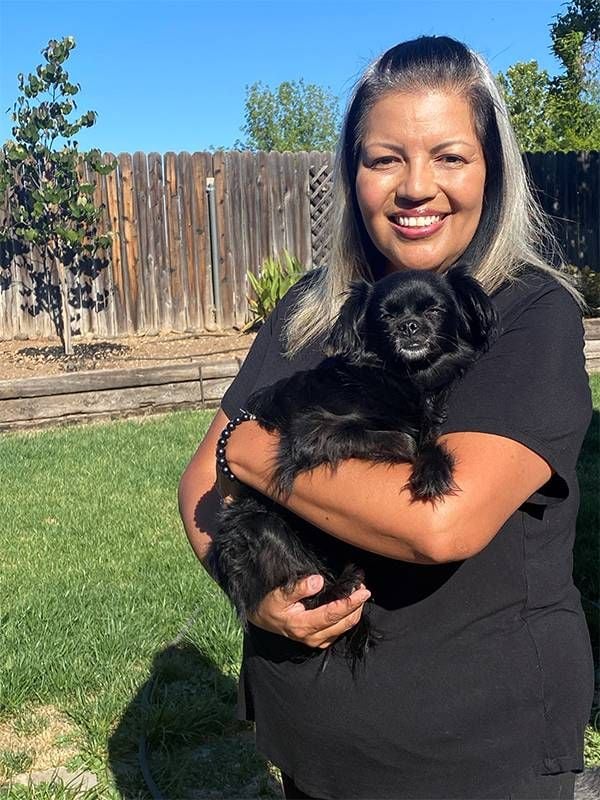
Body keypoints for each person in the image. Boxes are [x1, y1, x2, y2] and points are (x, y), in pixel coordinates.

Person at [178, 36, 594, 800]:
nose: (416, 186)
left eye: (449, 156)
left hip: (468, 752)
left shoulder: (529, 313)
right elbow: (200, 482)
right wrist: (253, 590)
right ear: (352, 174)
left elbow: (439, 521)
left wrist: (253, 450)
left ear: (492, 169)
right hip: (309, 741)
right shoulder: (311, 312)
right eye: (384, 159)